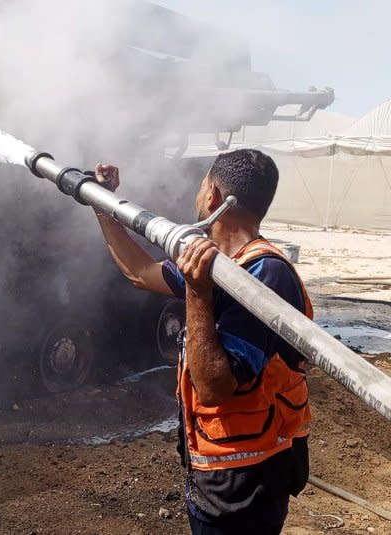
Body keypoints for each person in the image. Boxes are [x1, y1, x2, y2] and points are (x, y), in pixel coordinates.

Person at [93, 149, 311, 535]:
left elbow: (213, 388)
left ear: (212, 195)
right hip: (218, 472)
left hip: (247, 485)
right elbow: (141, 273)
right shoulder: (220, 262)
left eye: (199, 185)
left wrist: (197, 292)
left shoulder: (265, 276)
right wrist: (103, 207)